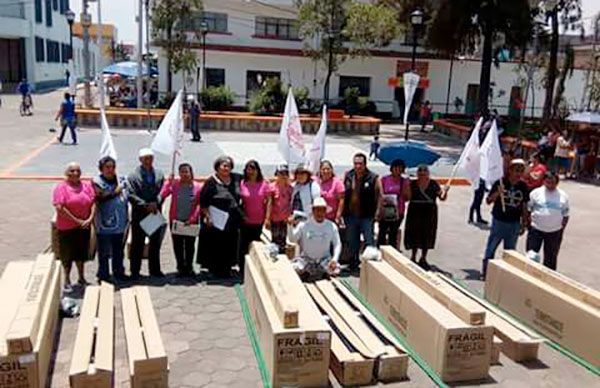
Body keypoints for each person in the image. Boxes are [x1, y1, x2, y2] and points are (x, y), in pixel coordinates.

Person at [482, 159, 529, 278]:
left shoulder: (523, 186)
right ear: (510, 170)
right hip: (499, 220)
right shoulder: (500, 182)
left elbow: (524, 205)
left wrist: (524, 223)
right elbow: (488, 201)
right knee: (491, 247)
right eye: (516, 170)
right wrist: (498, 193)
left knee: (510, 251)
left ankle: (506, 275)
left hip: (514, 223)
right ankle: (486, 272)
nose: (518, 173)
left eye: (521, 171)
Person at [198, 156, 243, 278]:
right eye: (223, 165)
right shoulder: (211, 182)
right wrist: (207, 216)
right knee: (215, 244)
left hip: (232, 220)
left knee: (230, 243)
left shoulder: (236, 178)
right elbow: (203, 201)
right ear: (217, 167)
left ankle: (227, 269)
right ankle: (214, 270)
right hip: (216, 219)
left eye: (228, 165)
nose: (226, 168)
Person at [53, 162, 96, 291]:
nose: (75, 173)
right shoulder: (61, 188)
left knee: (81, 253)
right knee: (67, 254)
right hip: (67, 227)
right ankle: (66, 279)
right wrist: (76, 220)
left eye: (78, 170)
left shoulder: (86, 186)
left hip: (84, 226)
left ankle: (81, 277)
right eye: (72, 171)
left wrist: (90, 218)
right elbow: (59, 208)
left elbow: (93, 202)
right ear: (66, 173)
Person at [127, 148, 166, 279]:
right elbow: (131, 195)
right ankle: (135, 271)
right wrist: (145, 205)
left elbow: (162, 191)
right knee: (137, 243)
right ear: (140, 160)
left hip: (154, 213)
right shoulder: (132, 176)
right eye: (145, 158)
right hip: (140, 214)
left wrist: (157, 202)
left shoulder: (159, 174)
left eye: (150, 158)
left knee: (155, 243)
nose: (148, 161)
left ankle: (155, 270)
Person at [160, 163, 201, 277]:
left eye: (186, 171)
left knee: (190, 246)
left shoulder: (197, 186)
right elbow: (162, 194)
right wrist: (168, 182)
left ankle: (189, 267)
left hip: (190, 222)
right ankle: (180, 268)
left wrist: (192, 218)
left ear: (191, 173)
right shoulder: (175, 185)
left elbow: (199, 205)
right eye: (182, 172)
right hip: (176, 220)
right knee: (177, 246)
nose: (184, 174)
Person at [404, 165, 448, 269]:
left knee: (427, 233)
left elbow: (442, 198)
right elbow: (408, 197)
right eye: (420, 171)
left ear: (428, 173)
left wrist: (445, 191)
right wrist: (406, 186)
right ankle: (413, 256)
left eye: (425, 171)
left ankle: (423, 258)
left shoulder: (433, 184)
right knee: (414, 232)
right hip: (415, 210)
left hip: (429, 211)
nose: (422, 173)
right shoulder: (413, 183)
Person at [93, 156, 129, 283]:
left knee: (118, 251)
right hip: (104, 225)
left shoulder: (120, 180)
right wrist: (115, 192)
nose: (110, 170)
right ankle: (103, 275)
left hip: (119, 224)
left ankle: (119, 272)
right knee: (103, 252)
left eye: (112, 167)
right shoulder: (97, 182)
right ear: (101, 169)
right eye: (107, 167)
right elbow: (100, 197)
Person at [343, 153, 381, 270]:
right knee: (352, 240)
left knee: (369, 240)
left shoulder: (373, 177)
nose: (358, 166)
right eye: (355, 163)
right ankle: (353, 262)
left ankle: (370, 267)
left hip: (367, 216)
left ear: (365, 164)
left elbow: (379, 196)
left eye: (360, 164)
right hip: (350, 215)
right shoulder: (348, 175)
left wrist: (378, 212)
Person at [288, 197, 341, 281]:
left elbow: (337, 244)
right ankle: (310, 273)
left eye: (322, 210)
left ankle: (321, 272)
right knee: (292, 269)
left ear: (325, 211)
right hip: (306, 260)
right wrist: (290, 226)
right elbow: (292, 239)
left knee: (336, 270)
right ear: (313, 211)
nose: (320, 213)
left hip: (324, 260)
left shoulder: (331, 226)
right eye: (317, 210)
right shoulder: (304, 224)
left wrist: (334, 259)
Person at [525, 172, 569, 270]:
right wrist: (529, 226)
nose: (550, 184)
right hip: (536, 229)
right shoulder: (535, 193)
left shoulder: (563, 196)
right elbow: (528, 210)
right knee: (531, 256)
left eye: (553, 181)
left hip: (554, 232)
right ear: (544, 181)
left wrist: (560, 228)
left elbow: (566, 215)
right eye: (548, 181)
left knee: (550, 260)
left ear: (557, 182)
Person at [239, 160, 272, 275]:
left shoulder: (264, 184)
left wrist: (267, 218)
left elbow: (269, 201)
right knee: (243, 245)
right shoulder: (242, 183)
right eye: (248, 169)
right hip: (245, 220)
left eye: (253, 168)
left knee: (256, 245)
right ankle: (242, 269)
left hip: (259, 220)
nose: (251, 171)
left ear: (258, 170)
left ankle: (254, 269)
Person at [377, 159, 410, 249]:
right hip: (385, 210)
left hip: (398, 211)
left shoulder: (404, 181)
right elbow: (380, 195)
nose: (397, 170)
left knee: (393, 233)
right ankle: (380, 251)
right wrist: (379, 210)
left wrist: (406, 186)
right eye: (396, 168)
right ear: (392, 168)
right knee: (382, 232)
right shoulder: (384, 179)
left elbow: (407, 198)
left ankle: (392, 253)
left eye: (400, 168)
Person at [269, 164, 293, 253]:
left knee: (283, 238)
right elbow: (269, 204)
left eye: (285, 173)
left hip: (285, 219)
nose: (283, 176)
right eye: (281, 173)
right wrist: (267, 219)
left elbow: (291, 203)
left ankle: (282, 255)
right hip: (274, 218)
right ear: (277, 174)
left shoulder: (290, 189)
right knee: (274, 238)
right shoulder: (271, 187)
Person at [317, 160, 345, 225]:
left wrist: (338, 216)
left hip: (332, 218)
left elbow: (341, 201)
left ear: (332, 170)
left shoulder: (337, 183)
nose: (326, 171)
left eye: (328, 169)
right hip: (317, 218)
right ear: (320, 171)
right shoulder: (316, 181)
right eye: (323, 169)